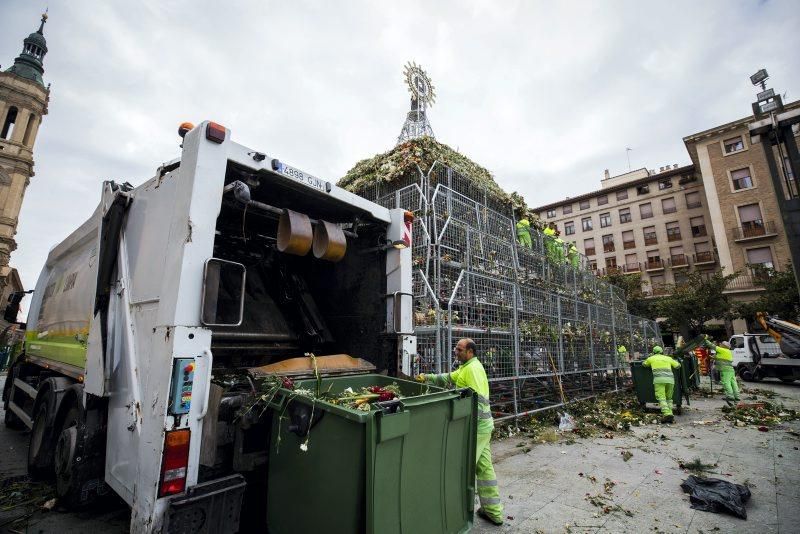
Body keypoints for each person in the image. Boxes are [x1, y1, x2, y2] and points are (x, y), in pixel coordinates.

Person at [416, 338, 504, 526]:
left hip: (478, 427)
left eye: (460, 349)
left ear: (470, 351)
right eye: (456, 348)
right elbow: (449, 377)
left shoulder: (472, 370)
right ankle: (494, 512)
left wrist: (464, 416)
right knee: (485, 469)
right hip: (484, 427)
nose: (456, 352)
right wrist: (427, 377)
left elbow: (478, 400)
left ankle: (455, 515)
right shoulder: (467, 367)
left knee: (462, 468)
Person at [642, 345, 681, 423]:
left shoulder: (651, 358)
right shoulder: (668, 358)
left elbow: (644, 364)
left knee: (661, 397)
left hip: (659, 380)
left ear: (653, 352)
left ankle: (666, 413)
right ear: (662, 352)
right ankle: (670, 413)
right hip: (670, 380)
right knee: (669, 398)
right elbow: (678, 366)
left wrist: (650, 359)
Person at [704, 338, 739, 406]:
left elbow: (712, 346)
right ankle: (737, 397)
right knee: (733, 383)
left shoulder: (722, 350)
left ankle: (730, 396)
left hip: (725, 370)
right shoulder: (728, 351)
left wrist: (705, 340)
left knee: (726, 383)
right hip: (731, 370)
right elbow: (721, 358)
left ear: (723, 346)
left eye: (721, 344)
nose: (720, 345)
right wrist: (712, 357)